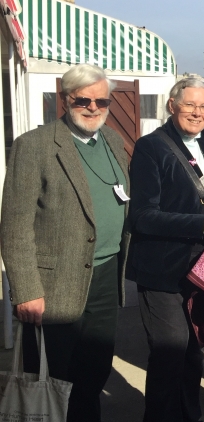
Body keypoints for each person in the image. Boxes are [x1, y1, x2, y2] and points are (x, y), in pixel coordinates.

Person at [0, 65, 130, 422]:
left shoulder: (114, 141)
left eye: (101, 100)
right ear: (64, 99)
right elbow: (14, 225)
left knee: (95, 370)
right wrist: (26, 290)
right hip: (53, 284)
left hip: (104, 275)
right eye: (83, 100)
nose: (92, 107)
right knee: (53, 377)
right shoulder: (34, 146)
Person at [128, 78, 204, 422]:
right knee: (169, 352)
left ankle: (189, 416)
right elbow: (144, 216)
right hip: (163, 271)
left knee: (195, 352)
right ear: (172, 106)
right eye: (190, 105)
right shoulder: (151, 147)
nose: (197, 113)